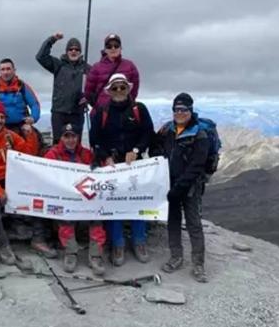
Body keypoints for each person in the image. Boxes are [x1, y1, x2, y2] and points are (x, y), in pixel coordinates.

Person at [0, 101, 56, 264]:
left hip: (9, 179)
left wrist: (29, 135)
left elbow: (29, 152)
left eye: (1, 117)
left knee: (35, 195)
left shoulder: (8, 135)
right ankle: (3, 246)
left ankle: (38, 239)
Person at [89, 74, 154, 267]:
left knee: (138, 201)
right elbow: (95, 140)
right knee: (113, 204)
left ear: (129, 89)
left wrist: (136, 150)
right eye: (115, 88)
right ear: (109, 91)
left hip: (134, 164)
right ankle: (117, 243)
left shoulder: (139, 109)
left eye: (122, 87)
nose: (119, 91)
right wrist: (105, 156)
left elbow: (147, 133)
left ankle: (139, 241)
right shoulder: (101, 111)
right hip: (112, 166)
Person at [154, 92, 209, 283]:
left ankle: (198, 264)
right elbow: (155, 147)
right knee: (173, 222)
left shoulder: (199, 134)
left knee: (193, 224)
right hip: (170, 185)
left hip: (189, 187)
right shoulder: (167, 130)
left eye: (183, 109)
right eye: (176, 109)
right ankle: (176, 257)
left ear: (190, 110)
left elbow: (198, 165)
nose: (180, 113)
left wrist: (180, 187)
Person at [44, 123, 105, 275]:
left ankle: (95, 255)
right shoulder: (53, 154)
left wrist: (99, 162)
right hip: (65, 197)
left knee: (97, 216)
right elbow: (42, 173)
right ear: (61, 137)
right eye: (67, 136)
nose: (70, 140)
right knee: (65, 217)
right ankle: (70, 252)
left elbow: (101, 172)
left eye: (73, 136)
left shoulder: (86, 153)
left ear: (78, 137)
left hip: (85, 197)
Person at [36, 32, 90, 144]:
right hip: (59, 113)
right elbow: (40, 57)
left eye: (76, 49)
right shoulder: (58, 65)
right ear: (66, 51)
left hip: (77, 114)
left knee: (75, 145)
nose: (73, 51)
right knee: (58, 144)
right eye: (70, 49)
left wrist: (89, 97)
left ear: (80, 52)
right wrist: (52, 39)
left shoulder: (88, 69)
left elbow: (97, 86)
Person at [84, 34, 140, 110]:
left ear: (120, 48)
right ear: (105, 49)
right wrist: (98, 107)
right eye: (109, 46)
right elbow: (88, 92)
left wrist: (128, 104)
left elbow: (134, 89)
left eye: (116, 45)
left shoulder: (130, 66)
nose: (113, 48)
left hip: (125, 111)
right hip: (103, 113)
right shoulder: (96, 68)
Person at [0, 58, 41, 136]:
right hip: (1, 126)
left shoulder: (22, 87)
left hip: (22, 126)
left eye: (8, 69)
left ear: (14, 70)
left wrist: (33, 118)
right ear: (0, 71)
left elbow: (34, 104)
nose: (5, 72)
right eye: (3, 69)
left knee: (33, 143)